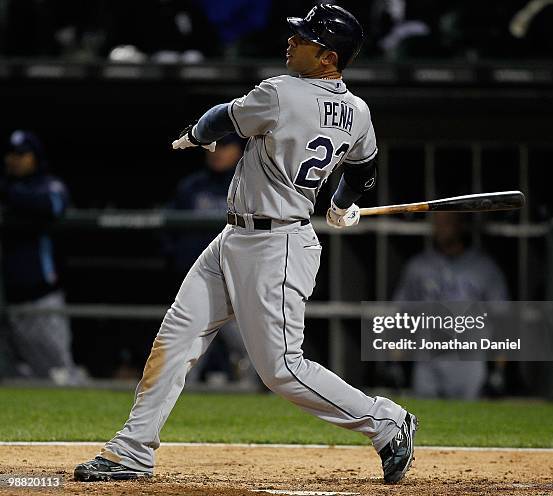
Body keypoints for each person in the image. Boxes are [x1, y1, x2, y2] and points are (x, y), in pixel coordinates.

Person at [74, 4, 417, 485]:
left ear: (327, 56)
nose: (291, 42)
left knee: (282, 370)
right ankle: (132, 450)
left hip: (276, 246)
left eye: (304, 39)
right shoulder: (358, 112)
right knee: (176, 337)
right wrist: (341, 205)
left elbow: (222, 118)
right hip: (235, 237)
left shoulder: (282, 92)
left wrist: (194, 135)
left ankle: (385, 420)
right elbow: (363, 169)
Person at [165, 134, 256, 386]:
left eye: (225, 146)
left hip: (237, 278)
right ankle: (180, 395)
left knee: (249, 344)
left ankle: (257, 388)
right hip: (199, 276)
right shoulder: (191, 187)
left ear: (238, 150)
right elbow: (169, 229)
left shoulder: (249, 185)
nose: (217, 152)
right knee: (189, 341)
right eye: (214, 146)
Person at [394, 212, 509, 399]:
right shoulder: (419, 266)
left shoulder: (483, 267)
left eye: (447, 223)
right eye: (437, 223)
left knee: (470, 420)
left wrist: (499, 369)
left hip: (468, 360)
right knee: (423, 419)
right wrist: (395, 363)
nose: (440, 228)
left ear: (461, 225)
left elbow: (501, 319)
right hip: (427, 359)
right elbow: (402, 316)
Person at [0, 130, 80, 384]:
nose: (15, 160)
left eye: (22, 154)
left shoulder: (48, 185)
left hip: (41, 299)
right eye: (11, 154)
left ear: (35, 157)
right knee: (13, 379)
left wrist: (9, 196)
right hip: (6, 302)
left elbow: (53, 204)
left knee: (59, 375)